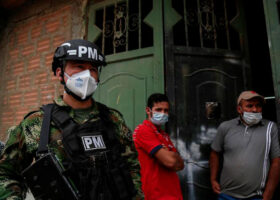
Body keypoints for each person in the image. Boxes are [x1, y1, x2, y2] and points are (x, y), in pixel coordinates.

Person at [0, 39, 142, 200]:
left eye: (93, 69)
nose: (87, 75)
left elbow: (131, 166)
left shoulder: (113, 119)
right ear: (60, 73)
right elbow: (5, 174)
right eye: (79, 67)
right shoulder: (36, 123)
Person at [210, 91, 280, 200]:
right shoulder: (225, 127)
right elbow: (214, 153)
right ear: (239, 109)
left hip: (256, 196)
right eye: (249, 106)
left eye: (258, 106)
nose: (254, 110)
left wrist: (268, 194)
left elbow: (276, 163)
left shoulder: (270, 128)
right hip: (226, 195)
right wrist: (213, 179)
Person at [133, 93, 184, 200]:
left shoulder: (163, 135)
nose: (163, 113)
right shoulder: (144, 130)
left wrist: (168, 156)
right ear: (148, 110)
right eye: (159, 110)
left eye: (166, 111)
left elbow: (180, 165)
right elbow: (170, 162)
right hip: (156, 195)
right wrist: (170, 157)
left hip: (173, 195)